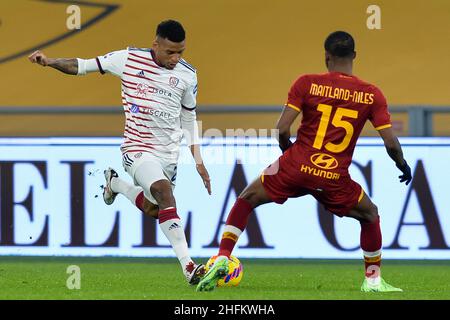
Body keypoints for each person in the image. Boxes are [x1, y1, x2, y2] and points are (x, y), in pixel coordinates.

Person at [197, 31, 412, 292]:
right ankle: (373, 280)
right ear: (354, 56)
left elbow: (282, 129)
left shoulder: (306, 83)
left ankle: (222, 256)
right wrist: (401, 164)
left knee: (247, 197)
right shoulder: (371, 94)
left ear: (326, 56)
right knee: (370, 214)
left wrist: (290, 155)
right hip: (334, 176)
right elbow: (390, 143)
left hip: (295, 165)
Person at [29, 20, 211, 285]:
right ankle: (189, 267)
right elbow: (82, 65)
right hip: (136, 148)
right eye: (170, 52)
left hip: (168, 154)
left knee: (154, 208)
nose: (176, 58)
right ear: (155, 45)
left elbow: (188, 118)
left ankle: (115, 184)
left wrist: (198, 160)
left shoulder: (187, 75)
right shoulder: (127, 59)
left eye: (181, 52)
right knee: (163, 191)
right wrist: (49, 61)